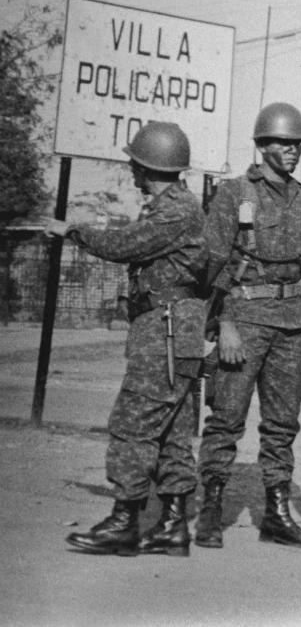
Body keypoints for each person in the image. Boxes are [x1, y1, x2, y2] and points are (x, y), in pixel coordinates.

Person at [51, 122, 205, 557]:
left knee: (133, 422)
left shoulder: (176, 210)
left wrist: (72, 231)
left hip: (166, 331)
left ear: (146, 166)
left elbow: (124, 245)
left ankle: (124, 522)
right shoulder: (171, 208)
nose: (132, 172)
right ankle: (173, 526)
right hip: (171, 330)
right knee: (171, 431)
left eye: (135, 164)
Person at [195, 102, 301, 549]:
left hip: (291, 325)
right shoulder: (235, 194)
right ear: (262, 145)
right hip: (245, 320)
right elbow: (213, 262)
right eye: (284, 144)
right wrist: (223, 323)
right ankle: (210, 509)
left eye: (297, 145)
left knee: (282, 424)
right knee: (227, 418)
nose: (292, 152)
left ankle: (277, 512)